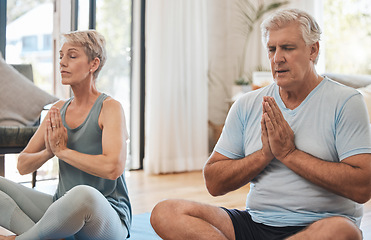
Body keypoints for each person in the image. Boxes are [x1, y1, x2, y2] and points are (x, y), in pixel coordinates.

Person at [150, 8, 371, 240]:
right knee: (165, 212)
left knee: (343, 231)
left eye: (288, 48)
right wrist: (264, 155)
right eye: (272, 49)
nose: (277, 58)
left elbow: (361, 188)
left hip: (318, 226)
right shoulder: (247, 104)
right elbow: (214, 182)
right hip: (255, 224)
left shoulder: (346, 102)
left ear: (313, 50)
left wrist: (289, 153)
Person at [0, 30, 132, 240]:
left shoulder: (110, 108)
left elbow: (113, 168)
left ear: (93, 64)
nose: (62, 62)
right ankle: (48, 235)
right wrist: (49, 153)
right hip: (60, 209)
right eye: (61, 56)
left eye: (71, 56)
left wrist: (63, 152)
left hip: (105, 216)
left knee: (83, 194)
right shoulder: (58, 110)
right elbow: (22, 165)